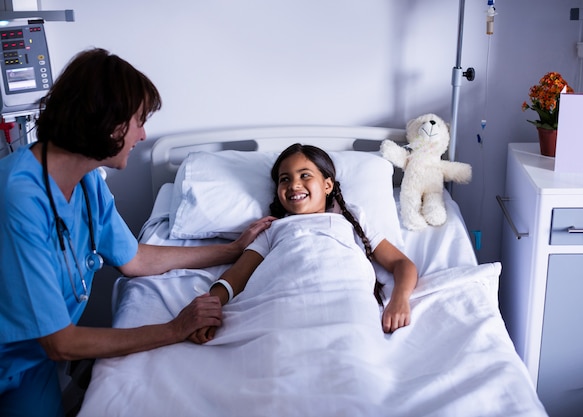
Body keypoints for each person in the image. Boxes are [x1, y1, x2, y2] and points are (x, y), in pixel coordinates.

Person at [0, 48, 273, 417]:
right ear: (109, 123)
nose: (143, 135)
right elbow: (61, 342)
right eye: (139, 121)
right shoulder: (19, 198)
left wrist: (231, 251)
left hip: (29, 363)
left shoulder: (87, 185)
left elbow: (136, 258)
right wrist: (175, 329)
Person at [200, 143, 418, 342]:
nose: (294, 184)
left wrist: (399, 300)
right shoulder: (273, 229)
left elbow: (402, 264)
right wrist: (211, 306)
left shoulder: (351, 219)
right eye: (284, 179)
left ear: (327, 185)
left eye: (305, 175)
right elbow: (236, 276)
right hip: (284, 302)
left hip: (345, 300)